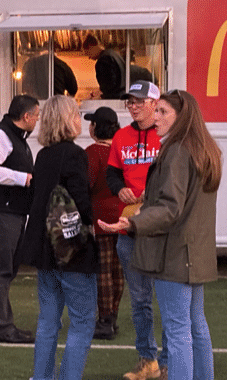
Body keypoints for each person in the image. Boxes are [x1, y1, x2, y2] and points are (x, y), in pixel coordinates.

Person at [100, 90, 222, 380]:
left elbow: (170, 208)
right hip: (194, 252)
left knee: (180, 330)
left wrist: (132, 224)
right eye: (157, 111)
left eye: (163, 111)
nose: (155, 117)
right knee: (195, 326)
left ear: (182, 117)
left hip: (175, 254)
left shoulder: (178, 151)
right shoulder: (204, 149)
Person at [17, 95, 98, 380]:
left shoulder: (43, 155)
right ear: (67, 119)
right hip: (71, 249)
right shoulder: (74, 154)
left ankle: (42, 377)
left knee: (48, 321)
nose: (79, 119)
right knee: (83, 321)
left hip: (43, 249)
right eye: (75, 114)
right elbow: (81, 201)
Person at [106, 80, 167, 380]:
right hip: (128, 230)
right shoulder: (120, 136)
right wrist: (119, 190)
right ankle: (148, 361)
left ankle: (168, 361)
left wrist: (149, 196)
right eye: (129, 101)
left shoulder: (166, 136)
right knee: (140, 301)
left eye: (139, 101)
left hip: (160, 230)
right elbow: (112, 173)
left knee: (168, 299)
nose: (132, 106)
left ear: (156, 103)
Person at [0, 94, 39, 343]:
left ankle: (4, 325)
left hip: (12, 212)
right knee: (1, 271)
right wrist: (23, 178)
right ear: (26, 116)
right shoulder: (0, 135)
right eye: (36, 115)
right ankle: (3, 328)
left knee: (7, 269)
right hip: (2, 213)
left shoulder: (15, 137)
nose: (37, 120)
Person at [84, 106, 124, 340]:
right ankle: (113, 316)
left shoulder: (93, 153)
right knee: (117, 271)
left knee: (103, 272)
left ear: (97, 128)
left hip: (100, 219)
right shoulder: (122, 151)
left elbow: (87, 183)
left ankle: (104, 319)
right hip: (123, 216)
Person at [83, 34, 126, 100]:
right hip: (123, 95)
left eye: (88, 53)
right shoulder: (114, 54)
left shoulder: (103, 60)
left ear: (91, 47)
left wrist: (100, 95)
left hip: (114, 98)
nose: (89, 57)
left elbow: (109, 84)